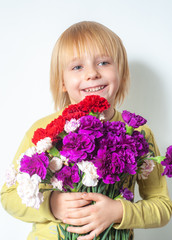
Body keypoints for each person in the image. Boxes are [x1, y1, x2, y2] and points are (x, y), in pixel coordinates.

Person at [1, 21, 172, 240]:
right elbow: (8, 195)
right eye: (77, 67)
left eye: (103, 62)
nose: (92, 73)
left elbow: (162, 207)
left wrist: (119, 211)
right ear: (62, 81)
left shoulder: (139, 134)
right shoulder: (44, 132)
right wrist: (52, 204)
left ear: (121, 72)